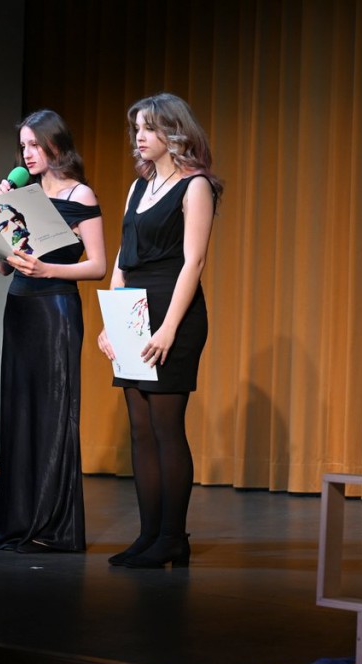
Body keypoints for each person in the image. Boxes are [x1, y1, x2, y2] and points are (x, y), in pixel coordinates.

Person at [97, 93, 223, 568]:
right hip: (134, 309)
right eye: (137, 129)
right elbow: (122, 259)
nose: (140, 137)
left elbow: (195, 261)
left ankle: (173, 538)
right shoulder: (139, 187)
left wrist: (169, 327)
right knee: (140, 428)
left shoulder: (195, 186)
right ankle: (149, 534)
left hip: (174, 312)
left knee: (167, 427)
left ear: (174, 131)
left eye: (148, 128)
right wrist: (112, 322)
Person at [0, 109, 106, 553]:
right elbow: (4, 267)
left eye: (35, 144)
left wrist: (48, 268)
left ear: (56, 144)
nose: (28, 154)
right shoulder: (21, 194)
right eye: (23, 146)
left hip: (55, 310)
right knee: (19, 413)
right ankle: (19, 520)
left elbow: (98, 265)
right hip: (19, 308)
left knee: (53, 413)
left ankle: (52, 525)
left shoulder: (79, 194)